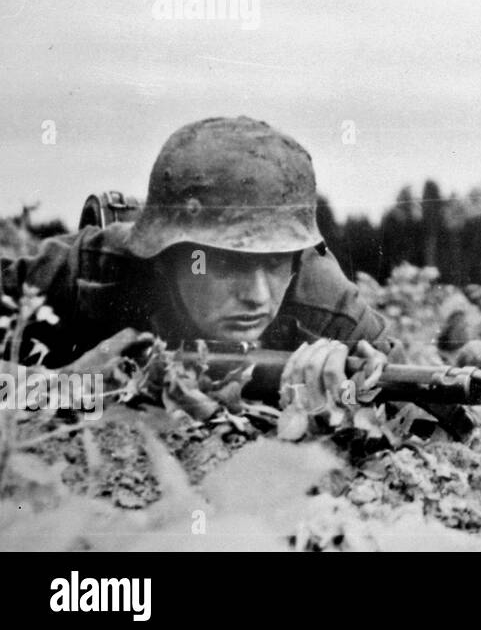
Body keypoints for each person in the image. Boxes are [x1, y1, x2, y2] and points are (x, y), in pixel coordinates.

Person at [1, 116, 393, 420]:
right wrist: (60, 389)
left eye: (275, 264)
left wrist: (350, 409)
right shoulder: (94, 272)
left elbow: (436, 426)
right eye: (228, 264)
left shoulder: (328, 312)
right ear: (167, 256)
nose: (257, 295)